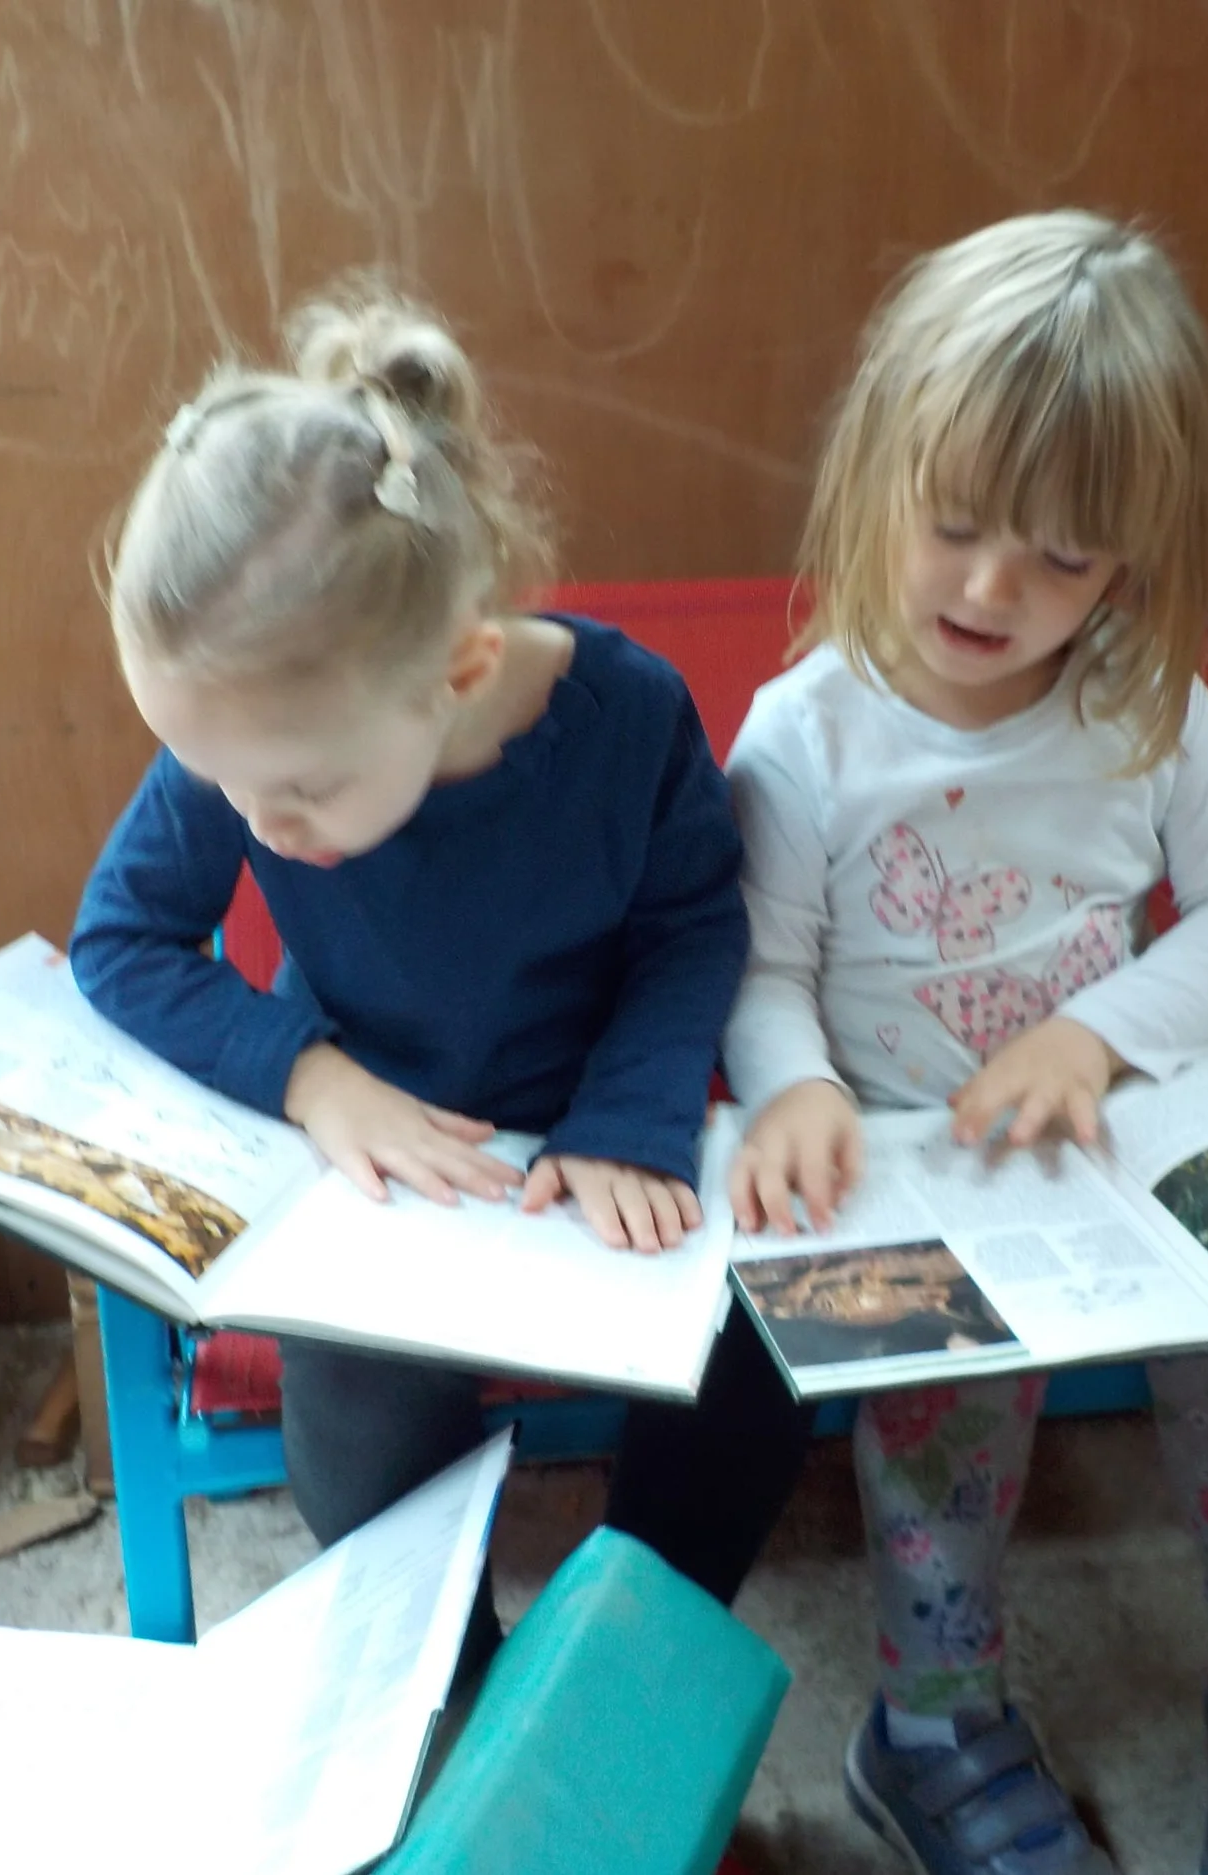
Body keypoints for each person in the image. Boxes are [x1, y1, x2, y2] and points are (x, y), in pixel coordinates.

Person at [724, 211, 1208, 1875]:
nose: (995, 590)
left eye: (1065, 558)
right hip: (928, 1188)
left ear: (1136, 562)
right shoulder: (811, 733)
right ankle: (929, 1722)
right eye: (953, 526)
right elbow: (760, 969)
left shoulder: (1147, 701)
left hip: (1116, 1151)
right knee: (949, 1404)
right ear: (879, 472)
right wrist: (793, 1079)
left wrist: (1093, 1034)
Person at [72, 280, 814, 1668]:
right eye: (219, 780)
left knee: (754, 1376)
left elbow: (693, 922)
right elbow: (119, 938)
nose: (253, 823)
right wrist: (314, 1079)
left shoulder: (628, 712)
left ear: (458, 669)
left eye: (294, 794)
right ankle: (451, 1688)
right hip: (389, 1174)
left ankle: (617, 1668)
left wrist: (625, 1119)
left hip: (587, 1147)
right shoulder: (259, 732)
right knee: (355, 1408)